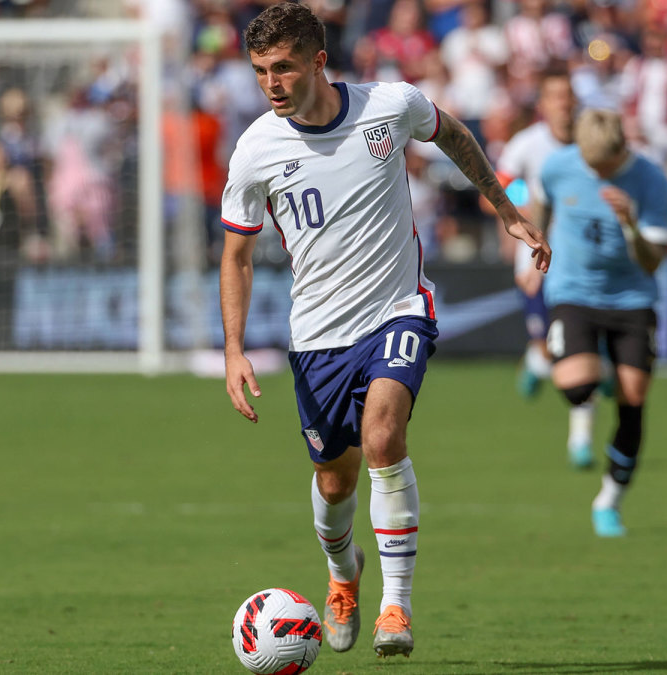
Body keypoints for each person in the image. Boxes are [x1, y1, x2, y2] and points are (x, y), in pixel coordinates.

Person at [219, 3, 550, 659]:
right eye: (260, 71)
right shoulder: (256, 149)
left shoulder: (389, 106)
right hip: (318, 336)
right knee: (335, 482)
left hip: (398, 308)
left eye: (283, 67)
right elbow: (236, 255)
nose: (272, 83)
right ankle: (345, 577)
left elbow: (452, 133)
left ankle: (395, 605)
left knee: (383, 436)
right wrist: (232, 349)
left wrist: (505, 210)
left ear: (318, 61)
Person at [537, 109, 667, 538]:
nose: (596, 173)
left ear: (621, 150)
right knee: (578, 387)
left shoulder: (650, 180)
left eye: (604, 166)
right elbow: (539, 199)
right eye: (590, 165)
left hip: (631, 297)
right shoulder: (559, 166)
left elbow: (653, 263)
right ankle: (590, 370)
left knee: (633, 398)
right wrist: (532, 246)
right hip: (573, 290)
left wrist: (631, 223)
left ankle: (609, 500)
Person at [497, 67, 604, 470]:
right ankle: (536, 362)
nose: (564, 103)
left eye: (568, 95)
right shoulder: (526, 145)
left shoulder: (589, 142)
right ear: (542, 104)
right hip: (537, 260)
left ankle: (581, 442)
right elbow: (498, 192)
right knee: (549, 350)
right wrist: (518, 246)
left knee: (581, 353)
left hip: (578, 264)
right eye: (556, 96)